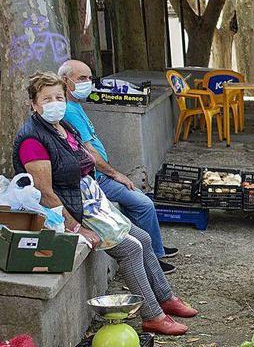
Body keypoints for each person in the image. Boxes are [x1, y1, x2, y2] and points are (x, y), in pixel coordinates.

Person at [12, 72, 197, 335]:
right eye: (46, 98)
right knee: (131, 249)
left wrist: (113, 173)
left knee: (143, 237)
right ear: (34, 104)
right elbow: (45, 191)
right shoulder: (32, 139)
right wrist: (76, 228)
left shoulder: (64, 127)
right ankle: (152, 315)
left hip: (92, 202)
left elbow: (88, 156)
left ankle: (165, 297)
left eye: (59, 97)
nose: (55, 102)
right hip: (69, 211)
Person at [58, 60, 178, 274]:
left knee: (142, 200)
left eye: (89, 78)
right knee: (143, 203)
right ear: (65, 81)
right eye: (81, 79)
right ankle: (156, 259)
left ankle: (155, 249)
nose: (88, 83)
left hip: (101, 176)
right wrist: (116, 174)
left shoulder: (75, 105)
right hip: (95, 179)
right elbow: (89, 153)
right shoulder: (68, 111)